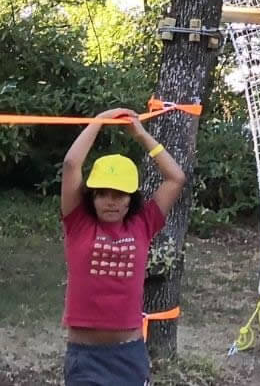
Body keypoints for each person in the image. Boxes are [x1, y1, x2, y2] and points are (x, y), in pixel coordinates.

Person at [60, 107, 186, 386]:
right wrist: (99, 121)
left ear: (131, 198)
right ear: (91, 196)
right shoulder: (78, 224)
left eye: (119, 194)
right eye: (102, 193)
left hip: (128, 356)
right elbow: (71, 164)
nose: (111, 201)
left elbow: (175, 177)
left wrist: (141, 134)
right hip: (85, 358)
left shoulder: (142, 224)